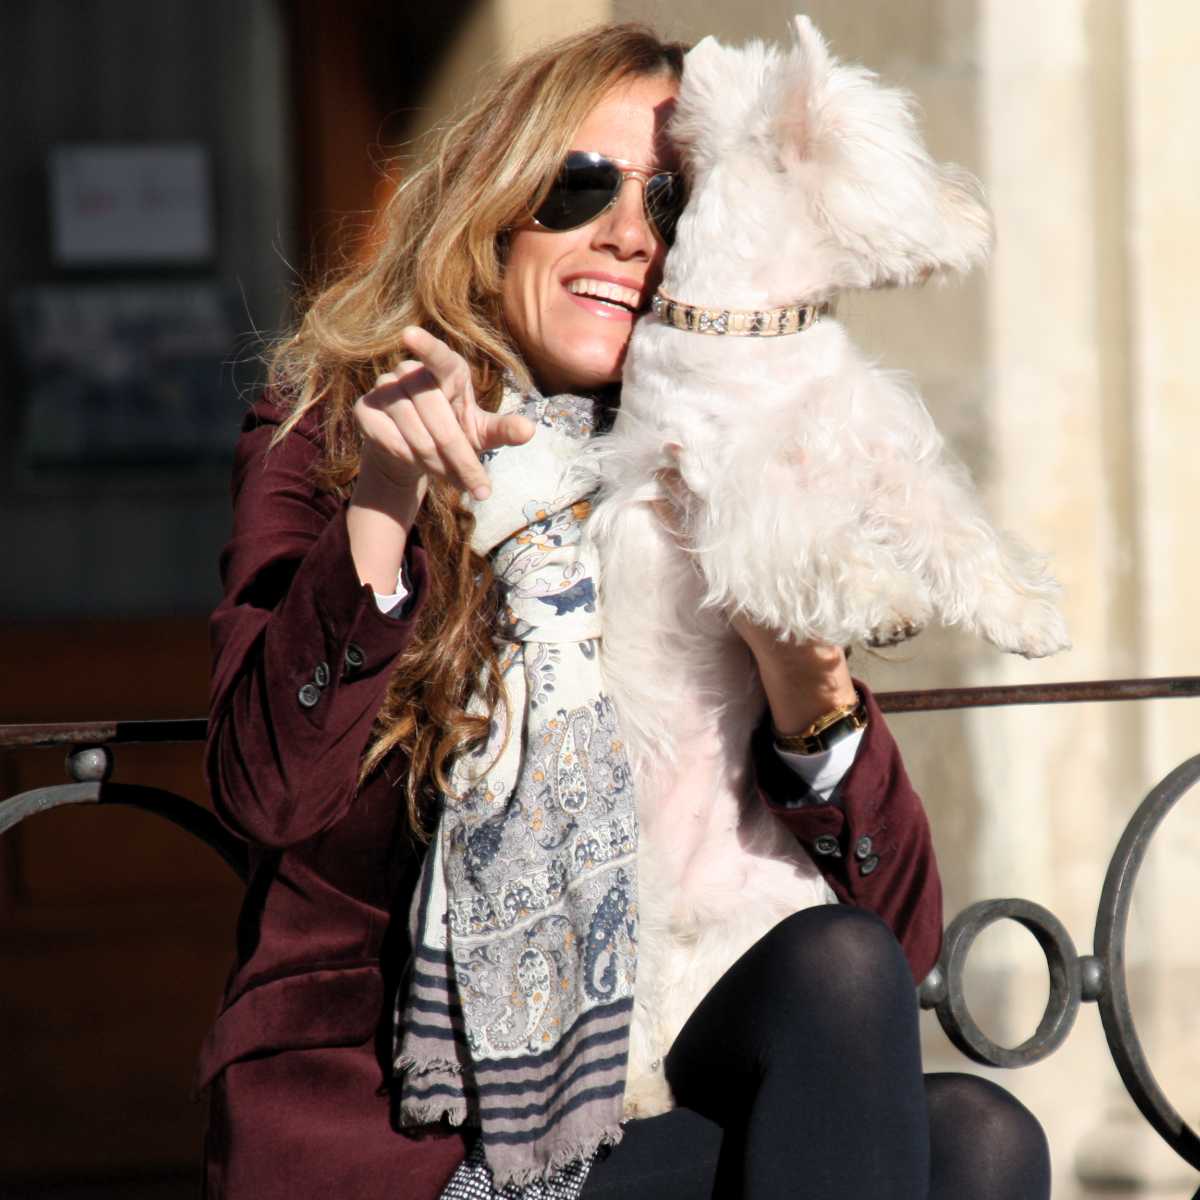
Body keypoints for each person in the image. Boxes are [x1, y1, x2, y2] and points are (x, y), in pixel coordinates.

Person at [199, 21, 1051, 1200]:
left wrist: (808, 686)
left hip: (657, 1055)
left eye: (673, 200)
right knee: (960, 1153)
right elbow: (266, 789)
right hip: (406, 1123)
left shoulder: (707, 457)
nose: (629, 232)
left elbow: (899, 941)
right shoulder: (343, 430)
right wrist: (385, 506)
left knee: (963, 1110)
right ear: (497, 204)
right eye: (581, 185)